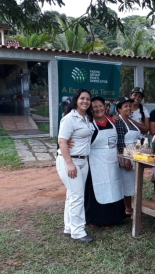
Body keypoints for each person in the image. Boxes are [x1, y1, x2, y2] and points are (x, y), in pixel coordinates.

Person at [56, 88, 94, 242]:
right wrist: (69, 163)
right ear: (76, 100)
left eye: (88, 99)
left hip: (83, 160)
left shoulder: (86, 118)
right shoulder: (69, 118)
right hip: (70, 161)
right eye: (82, 98)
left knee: (72, 195)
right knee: (77, 196)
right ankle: (78, 232)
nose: (85, 101)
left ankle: (69, 227)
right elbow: (62, 141)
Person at [85, 96, 126, 227]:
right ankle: (97, 219)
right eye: (94, 107)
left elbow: (116, 142)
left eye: (100, 106)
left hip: (112, 160)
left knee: (114, 188)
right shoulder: (89, 124)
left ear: (105, 107)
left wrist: (120, 156)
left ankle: (115, 217)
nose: (98, 109)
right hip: (96, 163)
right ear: (91, 109)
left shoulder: (112, 121)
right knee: (98, 189)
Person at [114, 97, 142, 216]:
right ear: (119, 109)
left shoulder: (131, 122)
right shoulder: (119, 122)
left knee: (134, 182)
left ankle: (135, 206)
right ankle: (128, 209)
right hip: (126, 157)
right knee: (127, 183)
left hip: (135, 155)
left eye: (130, 106)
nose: (129, 108)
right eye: (125, 106)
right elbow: (119, 141)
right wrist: (125, 159)